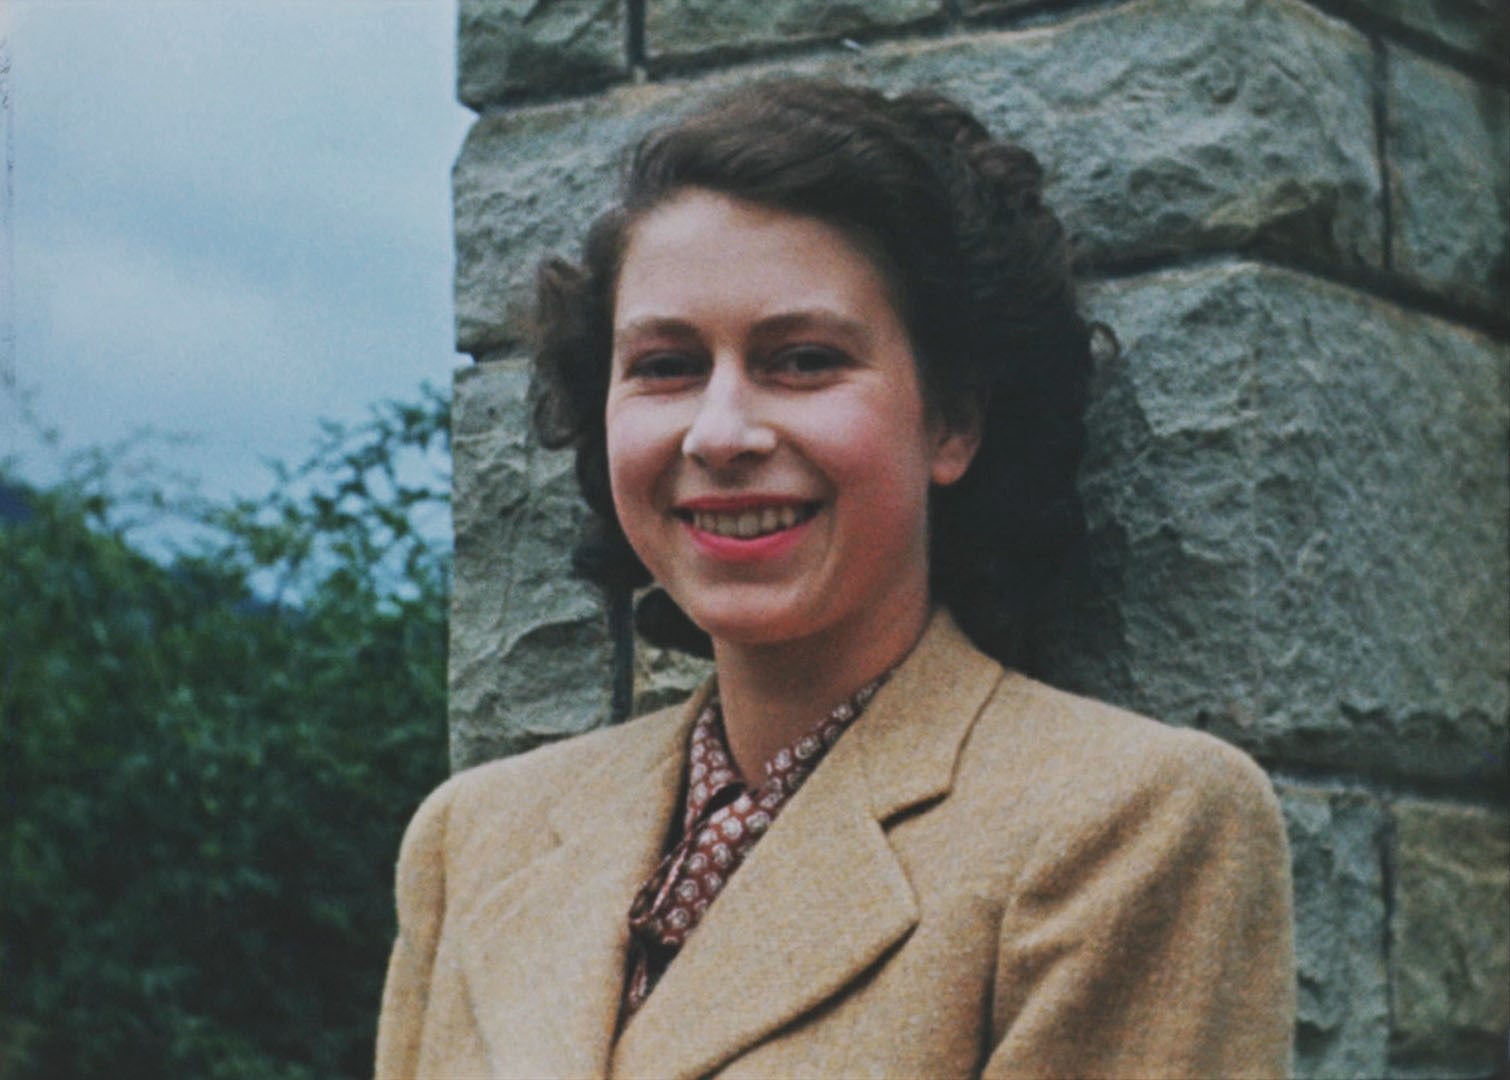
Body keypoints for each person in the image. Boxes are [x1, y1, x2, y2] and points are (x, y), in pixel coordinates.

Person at [375, 79, 1295, 1079]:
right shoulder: (472, 840)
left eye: (803, 360)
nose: (720, 432)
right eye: (667, 365)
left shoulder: (1130, 826)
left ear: (951, 420)